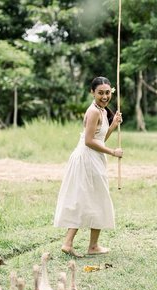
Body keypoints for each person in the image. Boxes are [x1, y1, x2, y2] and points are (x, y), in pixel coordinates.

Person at [53, 76, 123, 258]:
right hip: (87, 159)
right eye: (100, 93)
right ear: (92, 92)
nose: (105, 96)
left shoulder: (102, 111)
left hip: (92, 158)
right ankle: (88, 245)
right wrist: (112, 152)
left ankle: (78, 244)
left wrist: (113, 125)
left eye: (107, 93)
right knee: (94, 198)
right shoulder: (93, 112)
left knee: (89, 199)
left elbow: (99, 138)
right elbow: (89, 141)